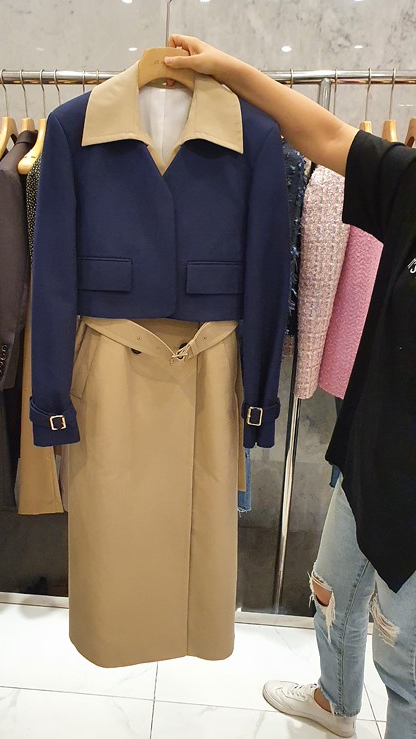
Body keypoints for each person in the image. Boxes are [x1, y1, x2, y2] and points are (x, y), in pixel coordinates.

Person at [164, 36, 416, 739]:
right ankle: (335, 704)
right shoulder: (413, 184)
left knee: (405, 665)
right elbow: (327, 136)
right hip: (371, 457)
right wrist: (227, 69)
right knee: (331, 590)